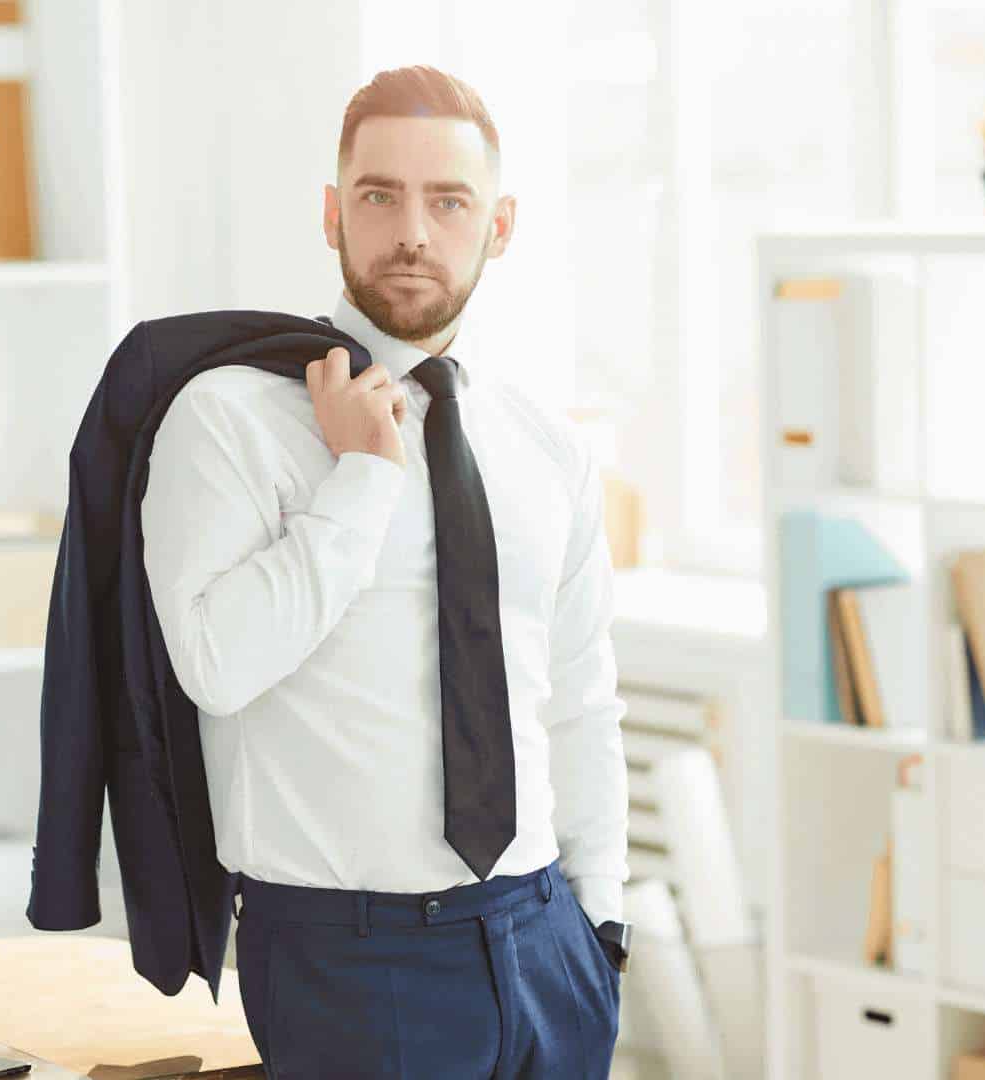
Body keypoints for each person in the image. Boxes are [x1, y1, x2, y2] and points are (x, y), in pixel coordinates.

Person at [139, 65, 631, 1078]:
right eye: (380, 196)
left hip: (543, 945)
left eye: (448, 201)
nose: (413, 230)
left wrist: (603, 928)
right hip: (349, 959)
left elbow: (580, 700)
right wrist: (360, 478)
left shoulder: (547, 446)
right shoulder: (228, 418)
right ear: (333, 215)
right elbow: (216, 666)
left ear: (499, 226)